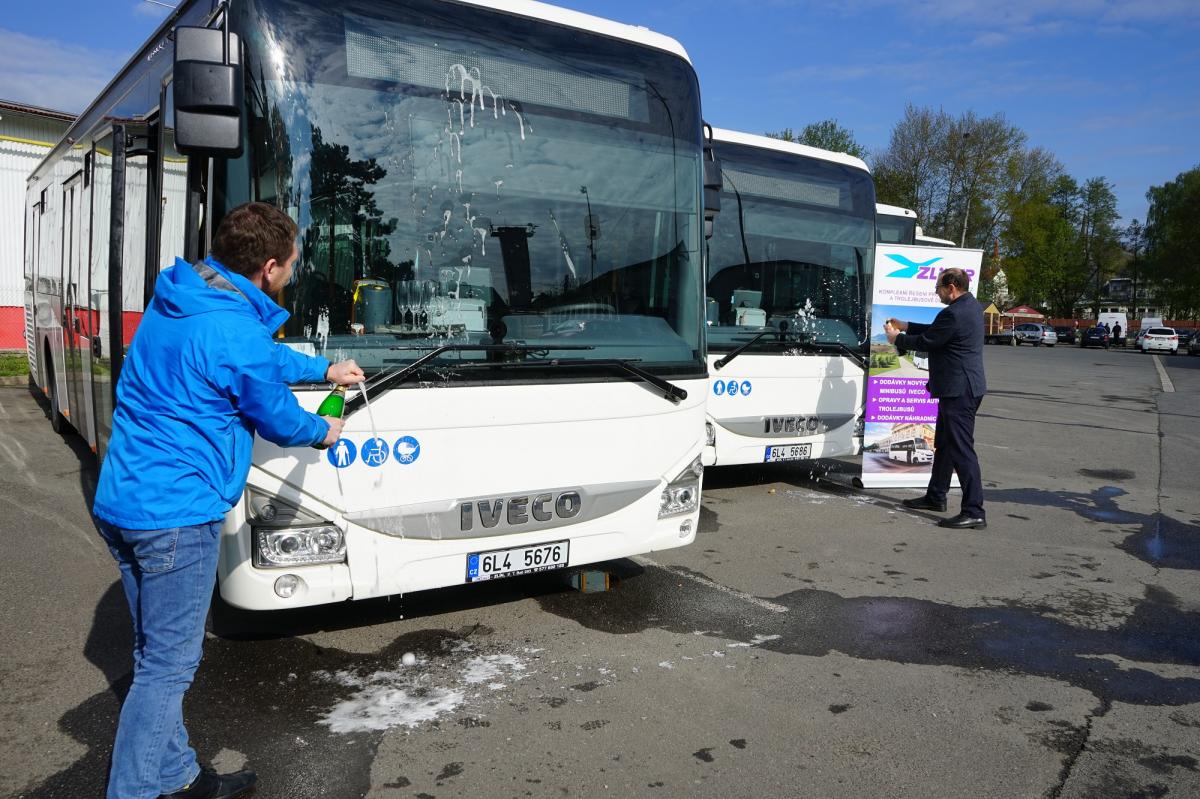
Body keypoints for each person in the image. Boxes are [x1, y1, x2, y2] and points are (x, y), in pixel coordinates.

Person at [92, 202, 365, 799]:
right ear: (269, 266)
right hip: (176, 516)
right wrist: (324, 429)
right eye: (290, 266)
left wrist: (325, 368)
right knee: (167, 670)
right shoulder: (234, 330)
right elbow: (275, 412)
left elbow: (261, 359)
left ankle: (179, 777)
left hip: (122, 501)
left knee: (150, 656)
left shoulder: (184, 297)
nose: (291, 275)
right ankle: (133, 792)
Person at [884, 268, 987, 529]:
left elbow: (929, 341)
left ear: (951, 287)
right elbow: (938, 330)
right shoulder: (970, 306)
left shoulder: (954, 313)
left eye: (938, 288)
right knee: (945, 444)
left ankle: (974, 510)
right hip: (963, 388)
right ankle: (936, 496)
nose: (936, 292)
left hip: (959, 391)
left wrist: (898, 338)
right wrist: (907, 326)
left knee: (962, 450)